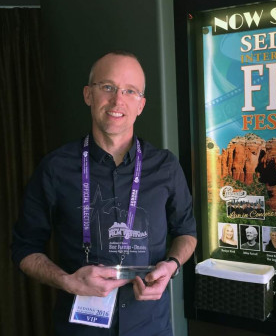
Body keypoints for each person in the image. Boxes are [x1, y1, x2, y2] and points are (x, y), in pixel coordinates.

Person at [11, 51, 197, 336]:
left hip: (150, 327)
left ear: (141, 104)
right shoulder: (55, 168)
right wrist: (67, 281)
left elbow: (187, 232)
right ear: (88, 94)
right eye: (107, 87)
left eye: (130, 91)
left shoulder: (166, 166)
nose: (117, 100)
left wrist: (171, 266)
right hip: (79, 330)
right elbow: (24, 248)